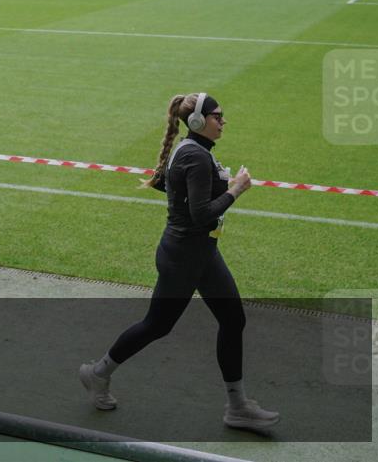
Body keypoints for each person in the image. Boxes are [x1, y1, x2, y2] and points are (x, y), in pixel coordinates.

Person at [79, 92, 279, 432]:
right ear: (199, 122)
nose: (223, 121)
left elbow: (173, 187)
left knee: (233, 319)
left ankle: (237, 406)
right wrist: (236, 190)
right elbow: (201, 216)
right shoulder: (196, 156)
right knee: (158, 325)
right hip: (184, 258)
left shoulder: (195, 152)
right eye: (218, 116)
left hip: (202, 254)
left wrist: (215, 187)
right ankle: (97, 373)